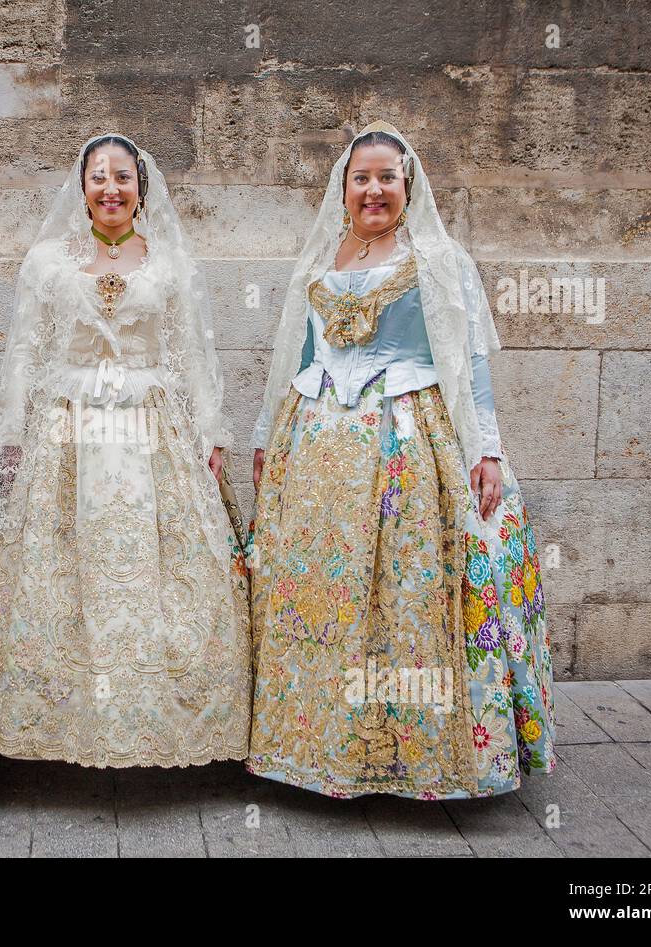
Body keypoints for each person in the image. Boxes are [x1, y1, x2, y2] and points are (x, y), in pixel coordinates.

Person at [246, 121, 555, 799]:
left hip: (411, 448)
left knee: (409, 593)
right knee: (326, 596)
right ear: (345, 187)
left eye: (388, 177)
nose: (374, 189)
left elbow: (469, 366)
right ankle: (316, 746)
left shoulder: (441, 262)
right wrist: (267, 435)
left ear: (407, 185)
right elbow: (294, 358)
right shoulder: (320, 261)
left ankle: (416, 757)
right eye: (362, 178)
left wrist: (489, 451)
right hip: (319, 451)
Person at [0, 133, 252, 768]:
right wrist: (14, 437)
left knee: (166, 571)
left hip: (152, 426)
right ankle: (59, 727)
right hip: (66, 433)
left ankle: (167, 724)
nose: (111, 188)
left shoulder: (169, 263)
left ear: (141, 187)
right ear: (82, 188)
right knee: (59, 567)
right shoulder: (49, 262)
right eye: (98, 177)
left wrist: (211, 432)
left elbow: (191, 352)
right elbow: (25, 351)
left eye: (123, 177)